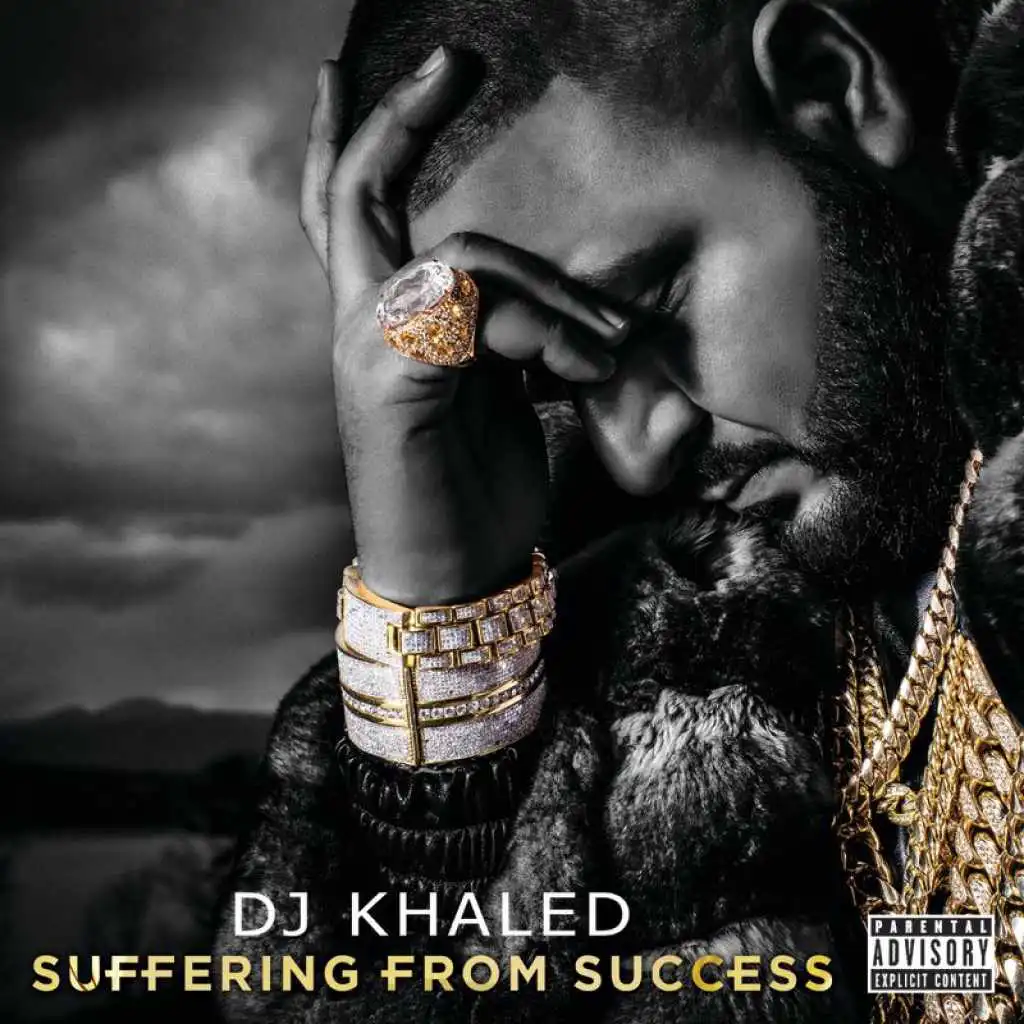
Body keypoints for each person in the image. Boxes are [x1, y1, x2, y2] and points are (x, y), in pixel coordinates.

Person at [215, 1, 1024, 1021]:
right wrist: (446, 628)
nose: (636, 455)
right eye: (557, 378)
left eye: (645, 311)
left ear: (831, 79)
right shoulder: (685, 628)